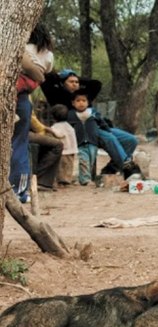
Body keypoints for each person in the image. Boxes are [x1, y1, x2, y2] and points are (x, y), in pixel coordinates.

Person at [41, 69, 138, 178]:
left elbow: (96, 84)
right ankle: (128, 169)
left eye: (76, 82)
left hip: (97, 126)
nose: (75, 84)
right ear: (63, 83)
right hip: (81, 132)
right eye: (71, 82)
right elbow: (46, 80)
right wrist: (61, 78)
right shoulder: (56, 96)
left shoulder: (83, 95)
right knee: (110, 138)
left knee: (131, 140)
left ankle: (111, 169)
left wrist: (74, 77)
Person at [11, 23, 54, 203]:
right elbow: (46, 72)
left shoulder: (17, 46)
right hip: (23, 100)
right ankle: (19, 192)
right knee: (20, 144)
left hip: (9, 94)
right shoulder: (48, 55)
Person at [28, 111, 63, 191]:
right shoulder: (23, 99)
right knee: (57, 144)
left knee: (47, 142)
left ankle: (41, 180)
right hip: (21, 132)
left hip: (23, 131)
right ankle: (40, 180)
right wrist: (43, 129)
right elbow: (31, 119)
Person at [49, 104, 78, 186]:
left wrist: (49, 130)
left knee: (61, 167)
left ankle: (62, 181)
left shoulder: (57, 126)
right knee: (69, 166)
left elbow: (59, 134)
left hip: (64, 150)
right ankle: (67, 179)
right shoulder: (68, 125)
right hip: (72, 149)